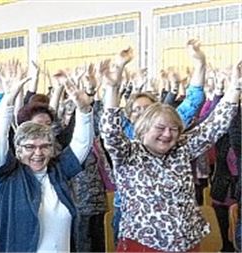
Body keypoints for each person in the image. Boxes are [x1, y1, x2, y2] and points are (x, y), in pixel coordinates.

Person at [101, 49, 241, 251]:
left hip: (188, 245)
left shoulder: (181, 148)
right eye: (160, 128)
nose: (167, 134)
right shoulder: (128, 153)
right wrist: (112, 89)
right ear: (143, 128)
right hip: (143, 246)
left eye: (173, 129)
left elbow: (216, 124)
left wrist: (236, 86)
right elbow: (110, 131)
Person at [0, 73, 95, 252]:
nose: (38, 153)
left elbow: (81, 145)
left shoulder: (58, 170)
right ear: (18, 150)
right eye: (30, 147)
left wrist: (84, 111)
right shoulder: (7, 174)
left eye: (44, 146)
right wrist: (8, 100)